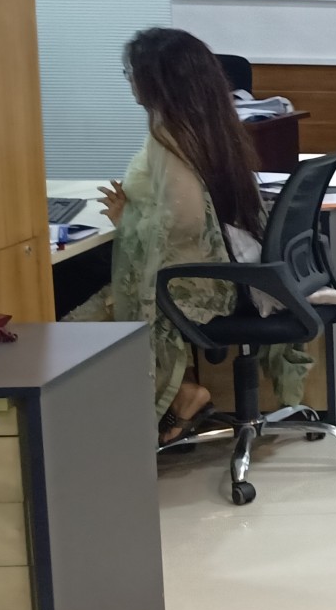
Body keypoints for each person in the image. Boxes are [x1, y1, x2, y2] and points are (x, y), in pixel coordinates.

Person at [67, 28, 311, 442]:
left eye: (131, 73)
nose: (129, 82)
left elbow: (186, 220)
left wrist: (128, 220)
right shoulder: (211, 126)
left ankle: (175, 397)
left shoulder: (169, 136)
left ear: (157, 80)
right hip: (225, 273)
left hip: (197, 282)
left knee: (73, 315)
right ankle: (183, 392)